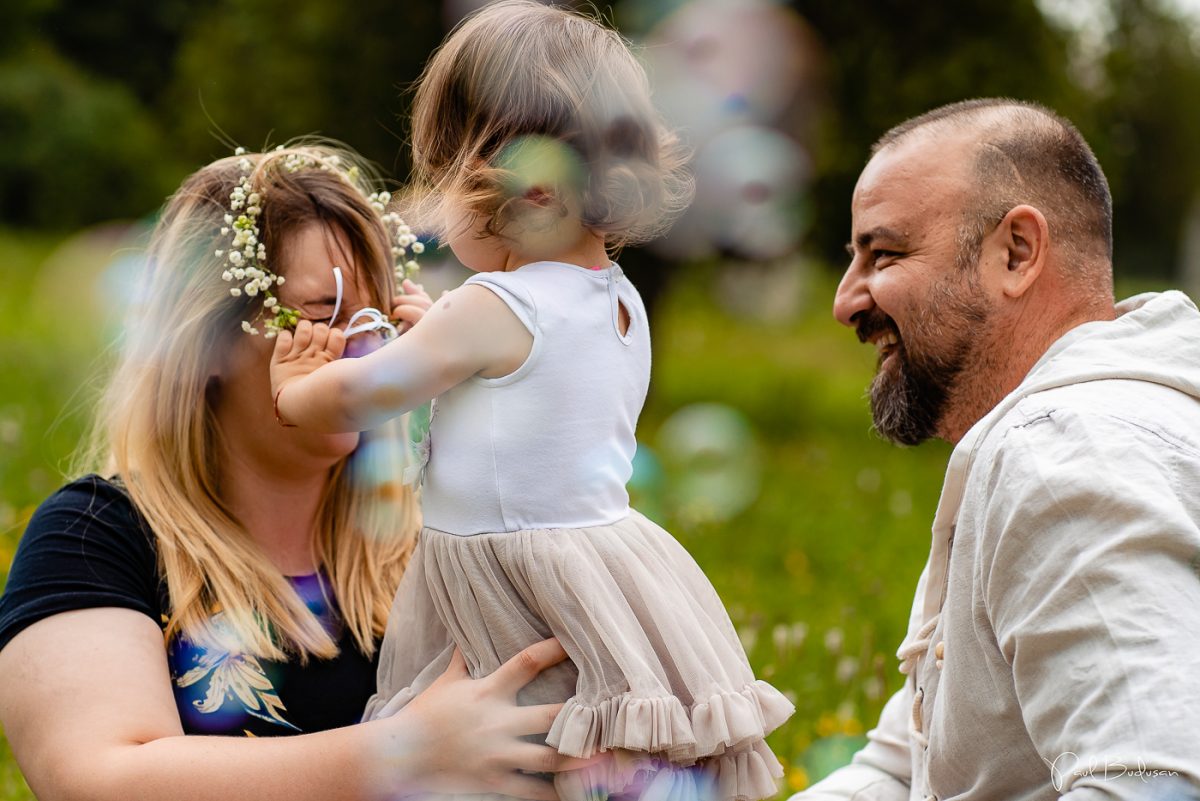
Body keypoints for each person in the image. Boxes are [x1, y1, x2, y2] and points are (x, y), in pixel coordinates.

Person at [268, 3, 794, 800]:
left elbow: (362, 394)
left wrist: (294, 388)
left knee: (509, 758)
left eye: (448, 183)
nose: (442, 212)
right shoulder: (616, 298)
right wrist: (435, 331)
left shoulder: (492, 308)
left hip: (507, 586)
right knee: (586, 754)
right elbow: (520, 379)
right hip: (602, 574)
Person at [0, 142, 597, 801]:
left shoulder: (442, 536)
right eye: (322, 316)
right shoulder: (94, 536)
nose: (366, 351)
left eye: (381, 319)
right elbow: (94, 778)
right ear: (206, 345)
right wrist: (399, 753)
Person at [794, 99, 1200, 800]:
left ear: (1015, 252)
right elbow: (905, 769)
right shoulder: (1078, 431)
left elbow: (1155, 781)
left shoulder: (1061, 453)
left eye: (883, 252)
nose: (845, 301)